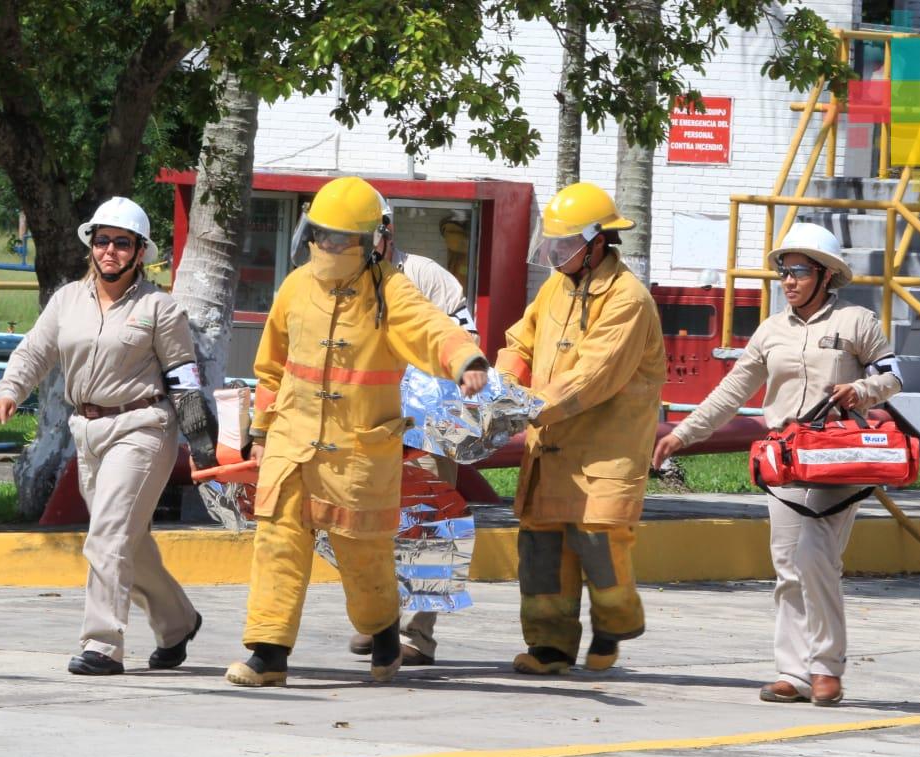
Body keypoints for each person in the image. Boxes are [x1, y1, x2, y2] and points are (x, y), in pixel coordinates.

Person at [226, 176, 489, 687]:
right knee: (277, 542)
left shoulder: (390, 289)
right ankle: (268, 652)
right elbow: (271, 368)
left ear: (370, 242)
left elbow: (430, 328)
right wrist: (260, 432)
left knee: (362, 556)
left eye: (340, 238)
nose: (327, 246)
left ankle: (385, 636)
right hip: (291, 445)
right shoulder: (296, 286)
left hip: (358, 449)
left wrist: (465, 358)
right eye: (321, 235)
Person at [651, 222, 903, 706]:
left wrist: (862, 390)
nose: (788, 280)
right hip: (785, 462)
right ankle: (795, 673)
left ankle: (827, 667)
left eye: (800, 271)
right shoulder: (770, 331)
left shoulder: (856, 322)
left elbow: (894, 374)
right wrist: (681, 434)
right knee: (788, 566)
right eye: (783, 272)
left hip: (837, 460)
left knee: (814, 556)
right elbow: (730, 393)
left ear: (826, 276)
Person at [0, 197, 202, 676]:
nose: (109, 250)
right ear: (91, 246)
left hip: (143, 429)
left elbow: (184, 377)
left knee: (106, 534)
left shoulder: (158, 308)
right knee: (129, 541)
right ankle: (178, 621)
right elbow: (34, 352)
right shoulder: (68, 299)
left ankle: (102, 644)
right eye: (102, 240)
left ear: (139, 252)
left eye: (121, 243)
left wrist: (203, 443)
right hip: (87, 431)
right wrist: (9, 390)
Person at [495, 182, 666, 675]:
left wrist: (522, 406)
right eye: (550, 245)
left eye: (564, 246)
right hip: (551, 449)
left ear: (598, 243)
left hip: (605, 453)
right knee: (542, 551)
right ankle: (550, 647)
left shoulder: (628, 301)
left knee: (600, 546)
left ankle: (614, 623)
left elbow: (591, 377)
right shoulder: (556, 287)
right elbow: (519, 341)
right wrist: (503, 384)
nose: (553, 255)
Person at [346, 211, 480, 666]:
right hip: (368, 425)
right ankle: (378, 619)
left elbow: (465, 341)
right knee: (370, 526)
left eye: (367, 236)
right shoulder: (340, 282)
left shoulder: (426, 277)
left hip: (426, 425)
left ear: (388, 232)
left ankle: (417, 632)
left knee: (429, 522)